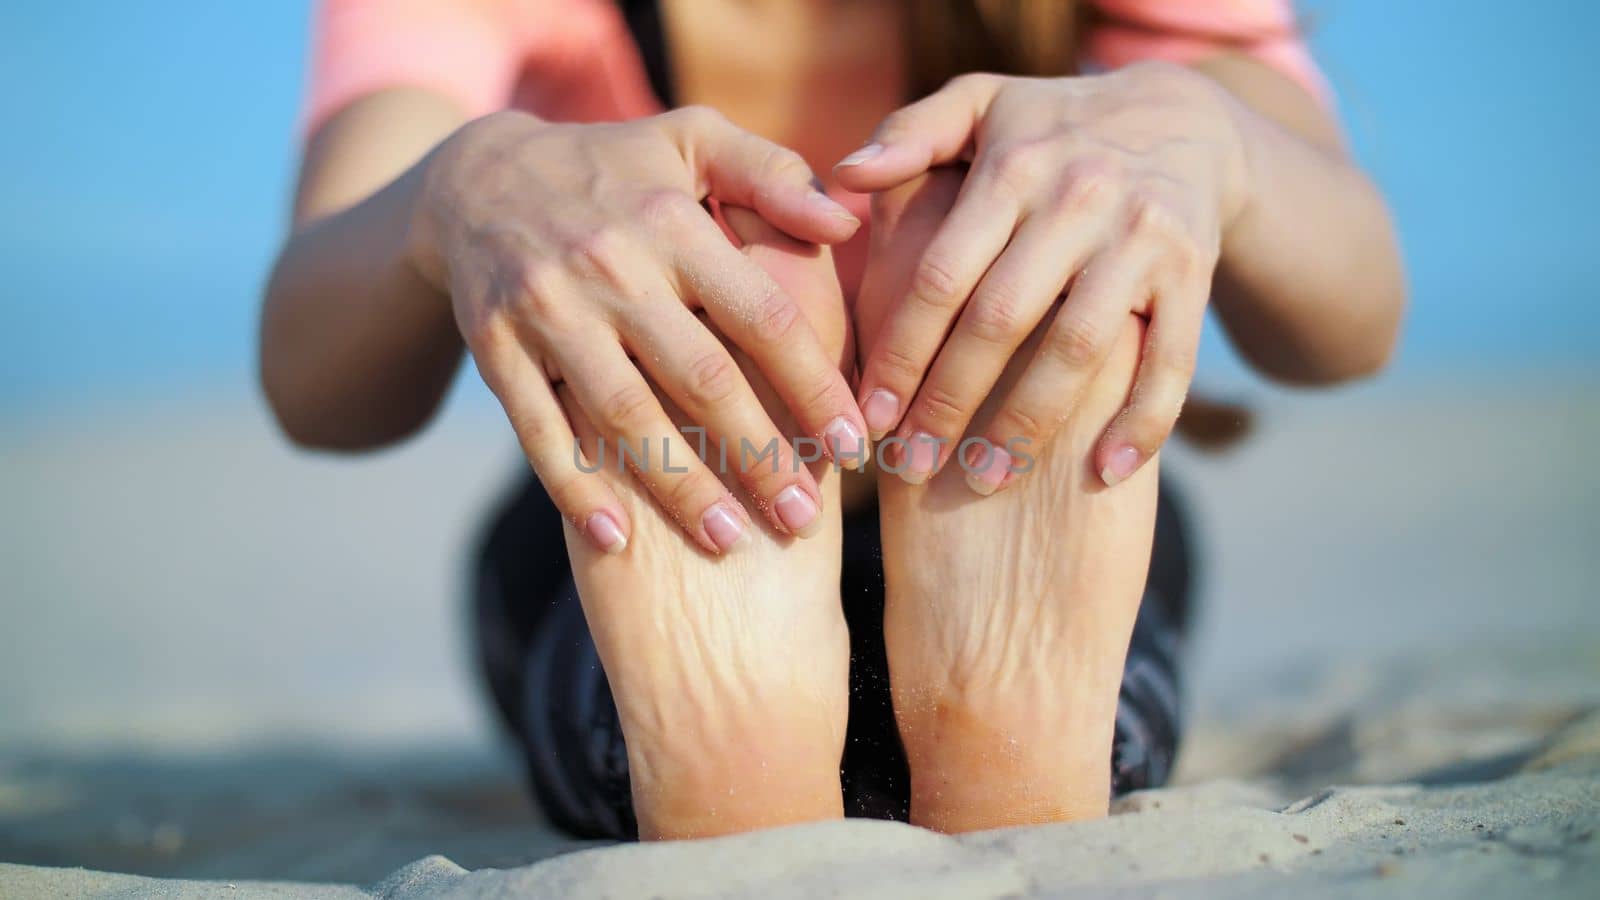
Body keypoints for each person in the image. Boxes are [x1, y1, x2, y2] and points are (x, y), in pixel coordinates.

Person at [261, 0, 1403, 840]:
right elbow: (317, 376)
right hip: (640, 477)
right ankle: (1026, 767)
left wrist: (1205, 139)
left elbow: (1348, 318)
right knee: (1118, 653)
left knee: (588, 662)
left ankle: (706, 786)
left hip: (681, 503)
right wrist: (455, 193)